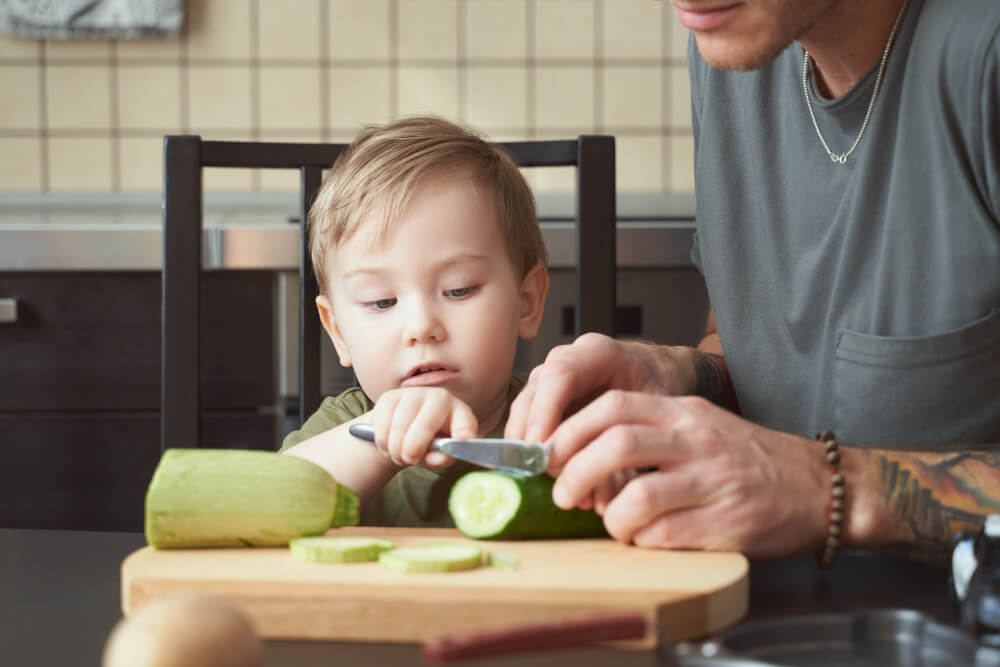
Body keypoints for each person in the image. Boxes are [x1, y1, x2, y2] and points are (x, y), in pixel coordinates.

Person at [505, 0, 1000, 566]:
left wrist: (823, 489)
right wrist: (678, 373)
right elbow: (755, 357)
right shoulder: (732, 48)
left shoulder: (983, 53)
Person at [280, 116, 550, 527]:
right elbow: (269, 501)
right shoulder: (344, 425)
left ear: (526, 303)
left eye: (458, 290)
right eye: (382, 300)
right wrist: (378, 438)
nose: (421, 327)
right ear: (338, 332)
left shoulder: (553, 415)